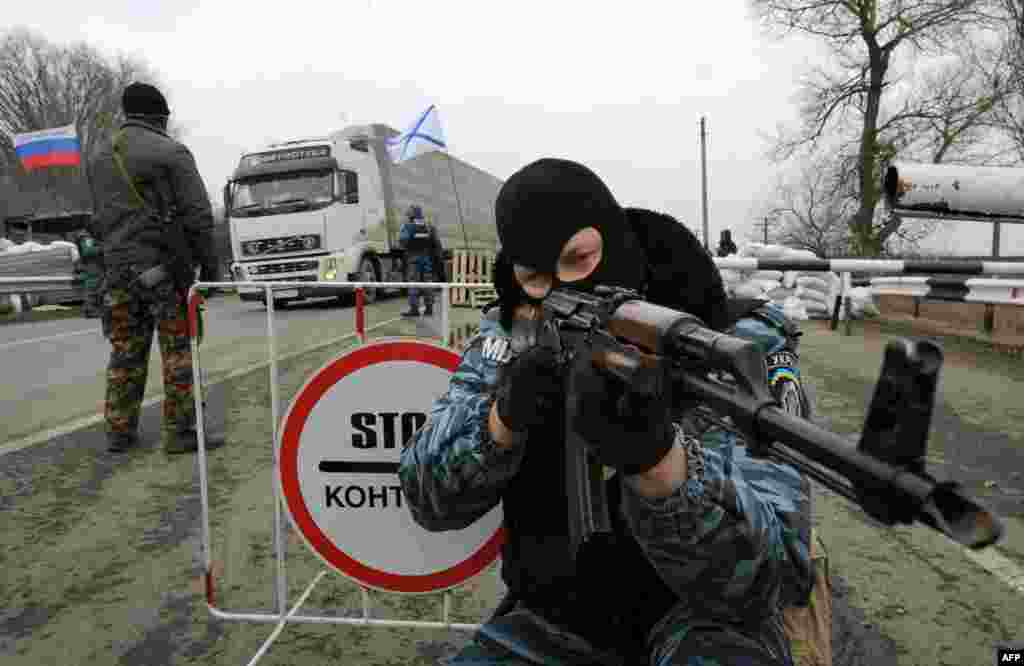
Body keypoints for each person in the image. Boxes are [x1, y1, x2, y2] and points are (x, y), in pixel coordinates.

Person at [399, 159, 814, 665]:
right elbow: (427, 498)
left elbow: (778, 576)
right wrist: (502, 419)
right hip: (550, 623)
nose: (564, 288)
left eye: (580, 259)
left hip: (707, 624)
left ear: (617, 240)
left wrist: (660, 464)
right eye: (537, 277)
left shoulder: (735, 343)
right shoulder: (508, 335)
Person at [87, 82, 224, 455]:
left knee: (125, 353)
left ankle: (119, 431)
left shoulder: (99, 157)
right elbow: (197, 216)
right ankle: (180, 432)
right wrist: (209, 270)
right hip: (162, 269)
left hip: (115, 273)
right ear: (159, 116)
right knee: (177, 351)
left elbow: (99, 219)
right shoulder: (171, 152)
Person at [399, 205, 443, 317]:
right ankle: (429, 308)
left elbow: (402, 242)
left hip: (413, 258)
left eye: (408, 214)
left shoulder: (407, 226)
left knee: (414, 283)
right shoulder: (429, 226)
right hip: (426, 258)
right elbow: (436, 243)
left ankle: (414, 309)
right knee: (427, 282)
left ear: (411, 215)